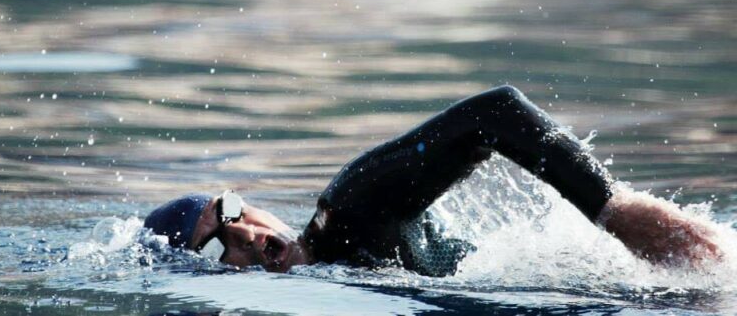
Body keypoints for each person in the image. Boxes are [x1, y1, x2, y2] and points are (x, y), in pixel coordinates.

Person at [144, 86, 721, 276]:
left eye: (231, 210)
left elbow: (496, 112)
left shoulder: (349, 208)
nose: (244, 234)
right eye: (216, 247)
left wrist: (615, 211)